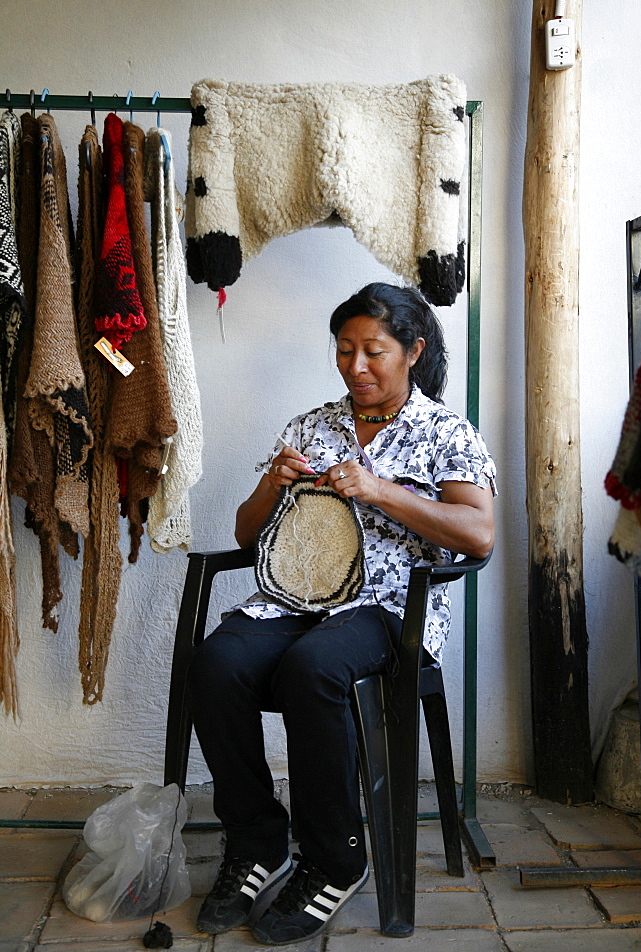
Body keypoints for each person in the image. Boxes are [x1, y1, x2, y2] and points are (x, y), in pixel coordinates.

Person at [191, 282, 496, 945]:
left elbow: (477, 534)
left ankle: (335, 857)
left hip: (388, 606)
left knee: (314, 668)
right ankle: (257, 843)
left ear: (413, 351)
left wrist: (380, 490)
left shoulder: (445, 432)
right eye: (345, 350)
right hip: (293, 596)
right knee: (216, 661)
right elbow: (248, 535)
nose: (356, 366)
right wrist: (272, 482)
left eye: (374, 352)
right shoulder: (311, 425)